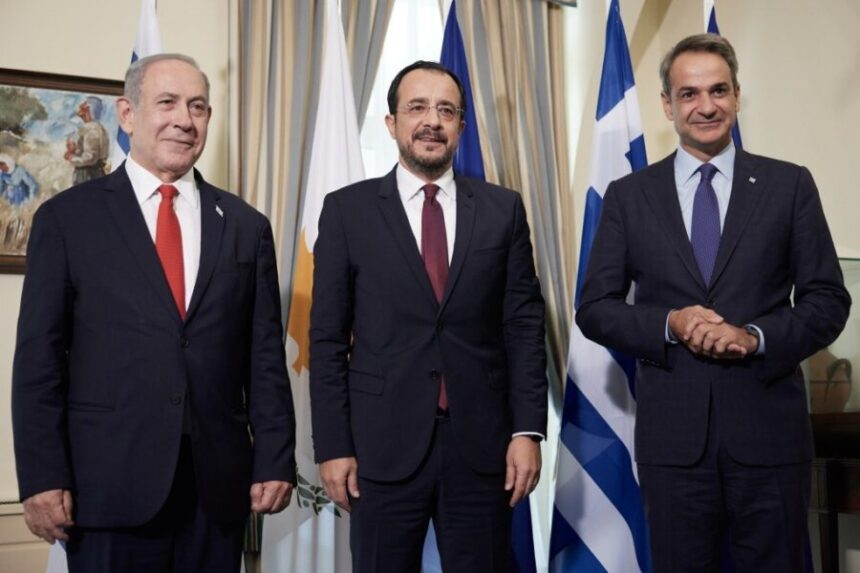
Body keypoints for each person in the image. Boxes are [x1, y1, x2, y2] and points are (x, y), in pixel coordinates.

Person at [12, 53, 297, 573]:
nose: (184, 120)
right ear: (127, 114)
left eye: (198, 107)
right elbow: (39, 363)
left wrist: (276, 457)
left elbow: (264, 359)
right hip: (105, 490)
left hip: (216, 493)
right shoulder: (68, 220)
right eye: (167, 103)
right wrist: (41, 476)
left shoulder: (245, 226)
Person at [576, 34, 851, 571]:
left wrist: (755, 337)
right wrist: (670, 323)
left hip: (769, 439)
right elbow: (596, 308)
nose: (706, 106)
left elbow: (827, 300)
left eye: (718, 90)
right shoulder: (630, 197)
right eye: (689, 94)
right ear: (667, 105)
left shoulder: (789, 185)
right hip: (673, 445)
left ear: (737, 95)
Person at [309, 60, 547, 572]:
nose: (431, 121)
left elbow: (524, 328)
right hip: (379, 448)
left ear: (461, 126)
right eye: (417, 107)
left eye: (446, 110)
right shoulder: (347, 211)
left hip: (482, 448)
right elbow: (326, 339)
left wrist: (527, 431)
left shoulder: (503, 210)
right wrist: (332, 445)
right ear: (391, 122)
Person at [64, 96, 110, 184]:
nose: (80, 107)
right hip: (94, 174)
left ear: (88, 110)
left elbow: (90, 158)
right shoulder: (98, 128)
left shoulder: (90, 128)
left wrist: (72, 158)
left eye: (84, 105)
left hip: (87, 176)